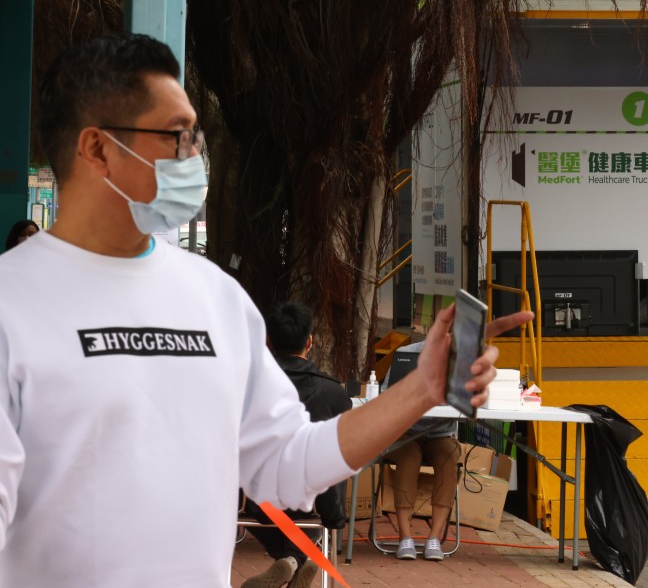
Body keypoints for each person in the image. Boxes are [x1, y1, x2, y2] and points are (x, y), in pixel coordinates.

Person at [0, 32, 532, 586]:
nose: (194, 157)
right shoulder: (12, 305)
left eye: (196, 137)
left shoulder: (215, 298)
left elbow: (288, 463)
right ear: (97, 148)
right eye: (176, 137)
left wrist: (421, 389)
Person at [241, 301, 352, 588]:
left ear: (269, 341)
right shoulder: (334, 394)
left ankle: (290, 560)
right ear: (310, 341)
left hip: (256, 501)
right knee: (320, 499)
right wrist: (335, 516)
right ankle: (296, 559)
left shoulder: (246, 386)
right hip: (314, 500)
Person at [381, 350, 460, 562]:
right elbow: (385, 394)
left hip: (440, 432)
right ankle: (405, 536)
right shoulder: (407, 354)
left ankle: (434, 538)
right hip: (404, 432)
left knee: (448, 457)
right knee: (410, 457)